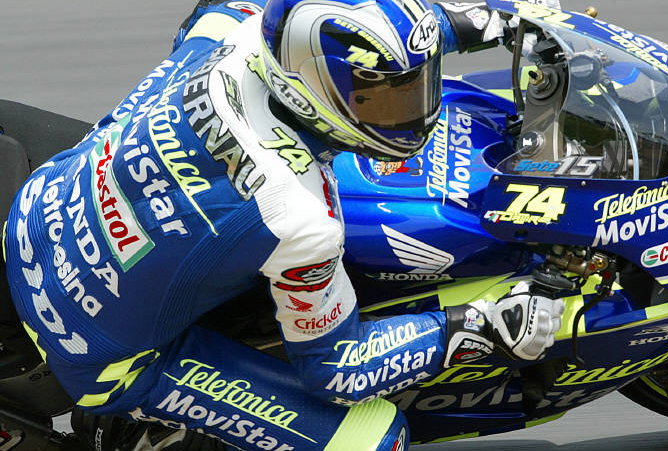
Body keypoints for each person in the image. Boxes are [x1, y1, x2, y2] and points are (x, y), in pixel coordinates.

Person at [2, 0, 565, 449]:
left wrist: (485, 19)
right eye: (375, 97)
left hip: (40, 208)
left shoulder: (239, 26)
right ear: (309, 90)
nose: (412, 113)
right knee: (375, 439)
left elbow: (317, 27)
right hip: (101, 354)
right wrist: (473, 327)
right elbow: (338, 369)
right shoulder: (297, 213)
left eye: (411, 86)